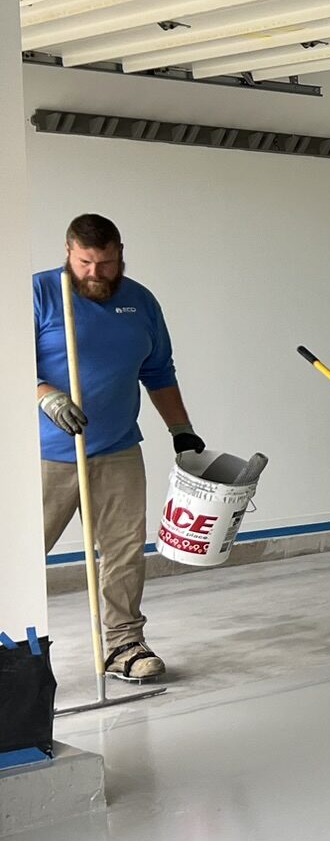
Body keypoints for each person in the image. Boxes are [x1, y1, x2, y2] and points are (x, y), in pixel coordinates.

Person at [35, 214, 205, 683]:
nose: (96, 273)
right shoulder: (39, 293)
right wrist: (46, 396)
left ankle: (124, 644)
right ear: (69, 252)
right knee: (22, 553)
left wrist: (181, 429)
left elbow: (158, 371)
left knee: (124, 550)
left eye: (106, 263)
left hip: (117, 449)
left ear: (120, 254)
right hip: (46, 454)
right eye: (86, 262)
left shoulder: (140, 301)